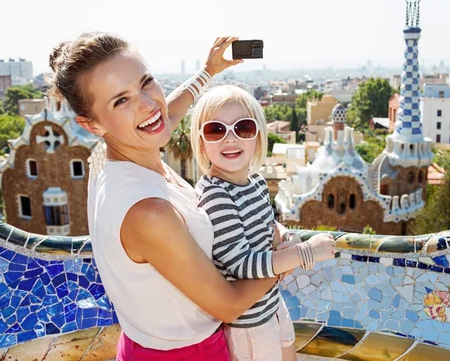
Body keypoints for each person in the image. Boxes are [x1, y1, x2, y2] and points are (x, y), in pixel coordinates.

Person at [48, 32, 337, 360]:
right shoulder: (147, 212)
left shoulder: (117, 152)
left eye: (146, 82)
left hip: (145, 346)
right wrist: (291, 257)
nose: (147, 105)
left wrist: (208, 72)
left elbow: (164, 114)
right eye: (121, 100)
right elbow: (228, 305)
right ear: (92, 124)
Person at [191, 86, 337, 361]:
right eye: (215, 130)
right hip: (248, 325)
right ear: (201, 142)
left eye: (243, 128)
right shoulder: (215, 195)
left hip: (271, 305)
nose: (230, 139)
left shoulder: (256, 182)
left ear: (258, 137)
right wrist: (306, 253)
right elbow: (243, 265)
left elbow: (267, 225)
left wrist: (284, 236)